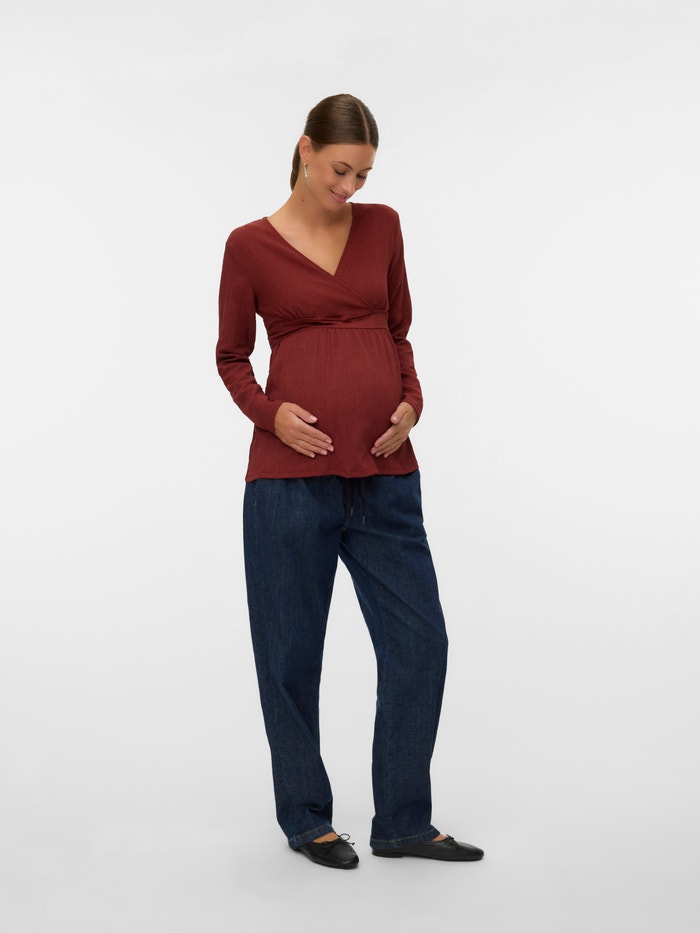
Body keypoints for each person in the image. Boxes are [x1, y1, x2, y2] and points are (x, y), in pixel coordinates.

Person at [216, 93, 484, 869]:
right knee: (290, 655)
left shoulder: (383, 226)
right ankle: (307, 819)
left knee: (420, 642)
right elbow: (231, 357)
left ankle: (403, 820)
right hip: (287, 484)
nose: (350, 188)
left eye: (363, 174)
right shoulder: (248, 246)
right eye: (340, 170)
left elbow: (398, 332)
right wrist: (272, 415)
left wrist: (412, 402)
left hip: (385, 476)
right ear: (305, 150)